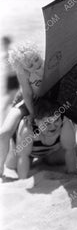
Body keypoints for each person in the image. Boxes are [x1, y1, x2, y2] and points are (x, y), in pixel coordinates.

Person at [5, 97, 77, 179]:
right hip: (26, 149)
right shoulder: (28, 127)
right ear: (36, 122)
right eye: (47, 123)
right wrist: (23, 181)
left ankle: (48, 156)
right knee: (12, 165)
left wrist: (73, 173)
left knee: (56, 160)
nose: (53, 126)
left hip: (52, 149)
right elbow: (22, 156)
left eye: (56, 120)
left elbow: (69, 149)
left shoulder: (64, 121)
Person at [0, 42, 43, 177]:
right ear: (24, 68)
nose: (35, 65)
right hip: (26, 101)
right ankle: (0, 168)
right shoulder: (23, 73)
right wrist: (32, 114)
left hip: (45, 102)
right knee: (3, 133)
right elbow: (27, 94)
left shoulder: (49, 63)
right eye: (30, 65)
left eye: (36, 59)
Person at [1, 36, 19, 121]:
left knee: (7, 105)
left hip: (13, 79)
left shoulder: (10, 53)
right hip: (10, 80)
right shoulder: (7, 53)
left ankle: (4, 124)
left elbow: (15, 68)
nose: (2, 44)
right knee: (10, 104)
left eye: (4, 43)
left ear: (7, 43)